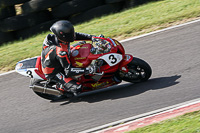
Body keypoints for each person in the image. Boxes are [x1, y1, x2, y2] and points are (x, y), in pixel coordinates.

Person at [41, 20, 96, 96]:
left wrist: (92, 37)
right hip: (55, 71)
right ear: (63, 36)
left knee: (83, 44)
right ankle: (61, 87)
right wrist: (87, 70)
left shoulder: (58, 37)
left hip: (58, 59)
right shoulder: (61, 51)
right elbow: (68, 70)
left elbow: (75, 36)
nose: (73, 35)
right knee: (78, 87)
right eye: (70, 34)